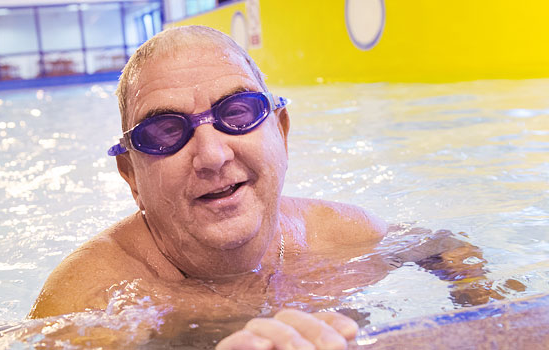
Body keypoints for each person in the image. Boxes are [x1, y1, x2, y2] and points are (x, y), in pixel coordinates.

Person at [28, 25, 489, 349]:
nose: (213, 155)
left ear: (282, 132)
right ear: (131, 176)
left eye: (238, 112)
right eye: (165, 132)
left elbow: (445, 246)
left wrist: (485, 312)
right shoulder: (93, 300)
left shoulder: (343, 237)